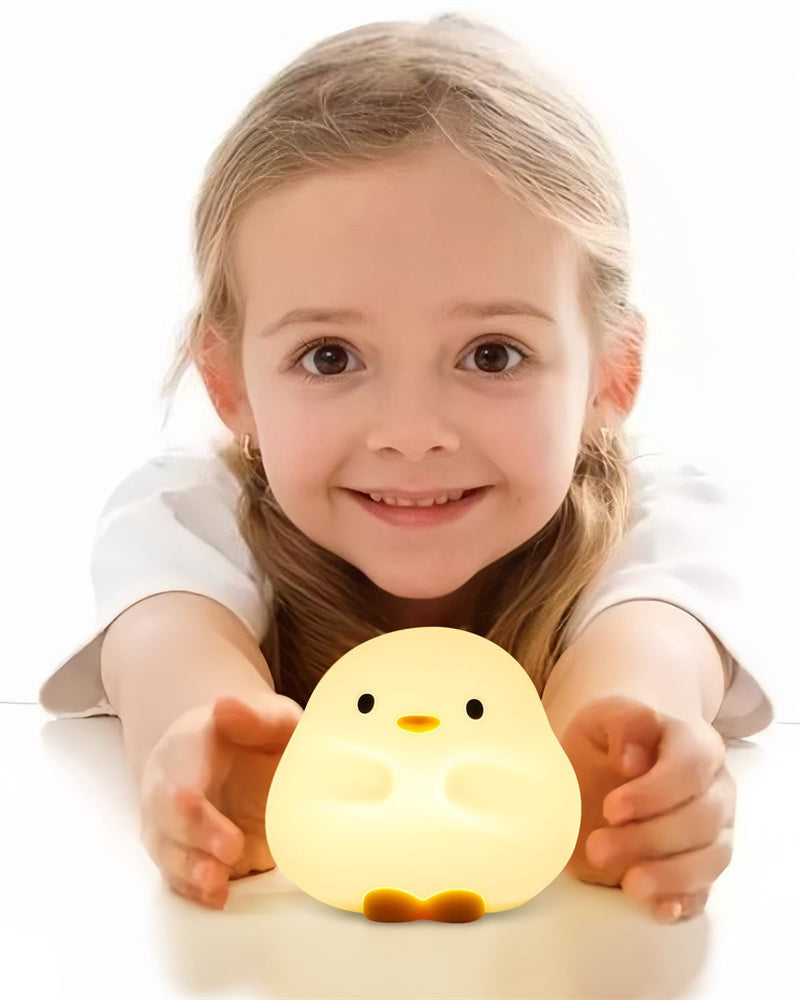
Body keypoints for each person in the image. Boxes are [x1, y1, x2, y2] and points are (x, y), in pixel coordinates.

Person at [39, 13, 773, 924]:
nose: (413, 433)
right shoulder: (192, 514)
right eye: (331, 357)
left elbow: (642, 672)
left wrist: (632, 774)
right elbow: (173, 663)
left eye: (493, 355)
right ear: (229, 384)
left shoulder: (660, 519)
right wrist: (201, 760)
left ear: (610, 378)